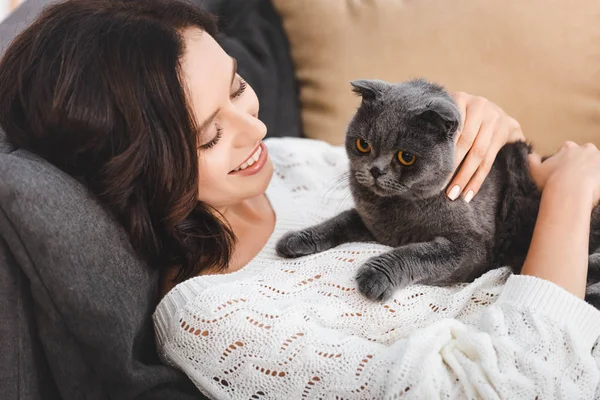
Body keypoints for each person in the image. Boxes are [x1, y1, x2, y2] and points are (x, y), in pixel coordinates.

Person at [0, 0, 599, 399]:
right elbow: (505, 387)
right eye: (211, 134)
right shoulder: (213, 320)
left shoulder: (282, 161)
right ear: (134, 171)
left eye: (238, 86)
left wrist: (501, 150)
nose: (254, 129)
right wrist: (568, 201)